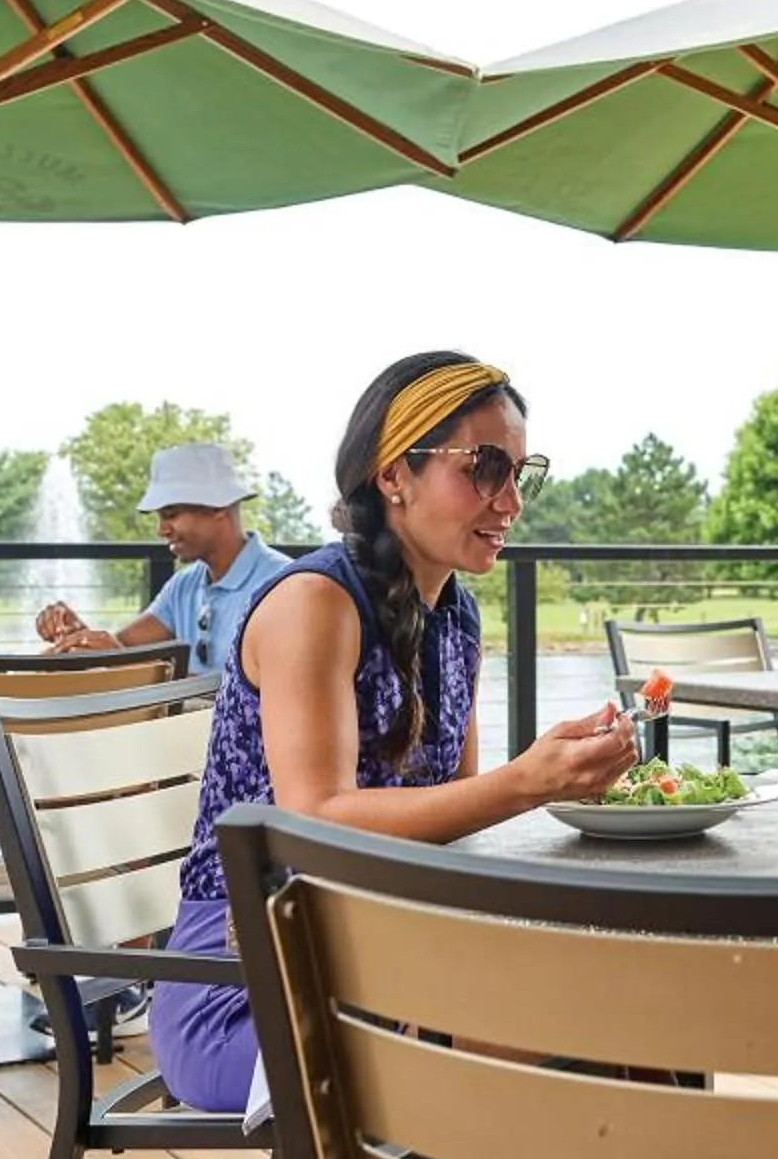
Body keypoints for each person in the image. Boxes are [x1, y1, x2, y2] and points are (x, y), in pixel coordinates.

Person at [151, 352, 637, 1117]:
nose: (511, 501)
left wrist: (556, 783)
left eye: (520, 473)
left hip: (387, 950)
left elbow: (457, 819)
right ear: (393, 475)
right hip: (253, 986)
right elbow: (315, 816)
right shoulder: (314, 604)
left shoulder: (455, 616)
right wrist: (525, 783)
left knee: (638, 1014)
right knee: (574, 1030)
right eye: (484, 468)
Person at [34, 442, 291, 673]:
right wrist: (79, 637)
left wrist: (126, 664)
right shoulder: (184, 585)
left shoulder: (285, 587)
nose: (161, 530)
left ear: (218, 507)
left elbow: (266, 693)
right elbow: (122, 649)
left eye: (170, 514)